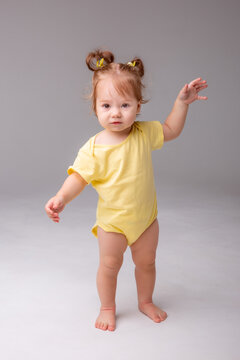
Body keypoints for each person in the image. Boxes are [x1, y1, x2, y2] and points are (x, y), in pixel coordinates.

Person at [45, 49, 208, 332]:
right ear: (95, 107)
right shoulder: (93, 148)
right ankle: (107, 307)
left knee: (147, 263)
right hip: (113, 223)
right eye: (106, 106)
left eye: (125, 105)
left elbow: (171, 129)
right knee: (109, 266)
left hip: (145, 219)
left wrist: (182, 104)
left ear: (138, 106)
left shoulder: (143, 133)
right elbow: (78, 178)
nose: (116, 113)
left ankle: (145, 301)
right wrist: (61, 197)